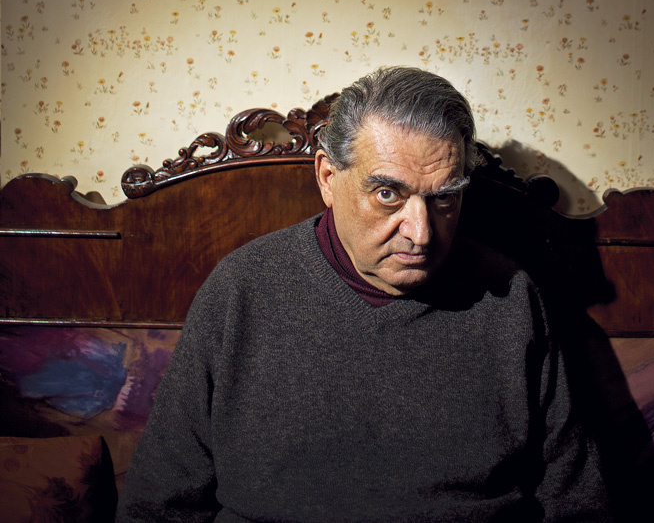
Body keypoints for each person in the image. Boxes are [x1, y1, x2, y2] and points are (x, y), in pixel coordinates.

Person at [117, 66, 611, 522]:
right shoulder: (241, 290)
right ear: (328, 178)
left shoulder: (510, 298)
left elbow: (576, 503)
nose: (421, 233)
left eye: (444, 197)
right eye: (388, 194)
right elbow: (158, 504)